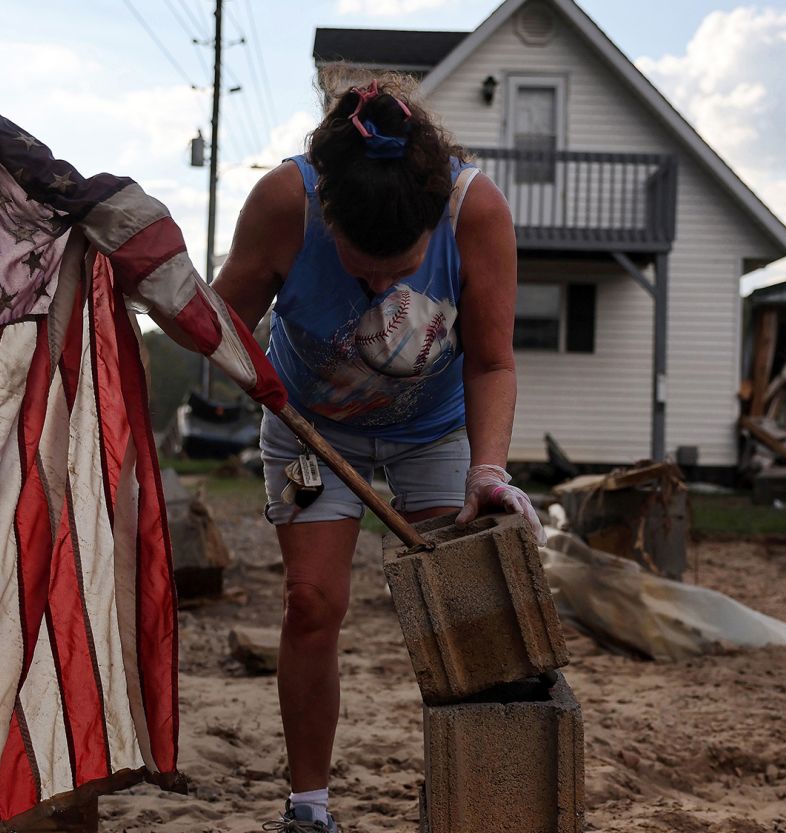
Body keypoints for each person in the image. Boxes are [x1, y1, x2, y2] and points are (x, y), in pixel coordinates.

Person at [212, 74, 545, 832]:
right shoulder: (282, 205)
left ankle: (475, 792)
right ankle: (309, 805)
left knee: (468, 603)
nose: (384, 286)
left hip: (433, 427)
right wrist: (232, 358)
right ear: (328, 214)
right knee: (313, 603)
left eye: (403, 269)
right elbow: (222, 322)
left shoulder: (475, 211)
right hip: (310, 428)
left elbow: (492, 360)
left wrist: (488, 469)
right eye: (365, 270)